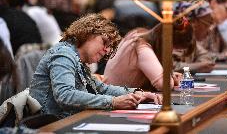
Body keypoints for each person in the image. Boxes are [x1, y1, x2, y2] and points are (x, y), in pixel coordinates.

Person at [29, 14, 161, 119]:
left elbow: (99, 88)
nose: (107, 50)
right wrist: (113, 102)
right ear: (86, 33)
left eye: (110, 47)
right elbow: (65, 95)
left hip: (69, 120)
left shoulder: (78, 58)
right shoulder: (64, 54)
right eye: (104, 42)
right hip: (51, 125)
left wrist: (135, 93)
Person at [104, 27, 182, 91]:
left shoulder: (138, 33)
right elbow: (165, 85)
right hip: (113, 98)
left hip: (115, 94)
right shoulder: (142, 46)